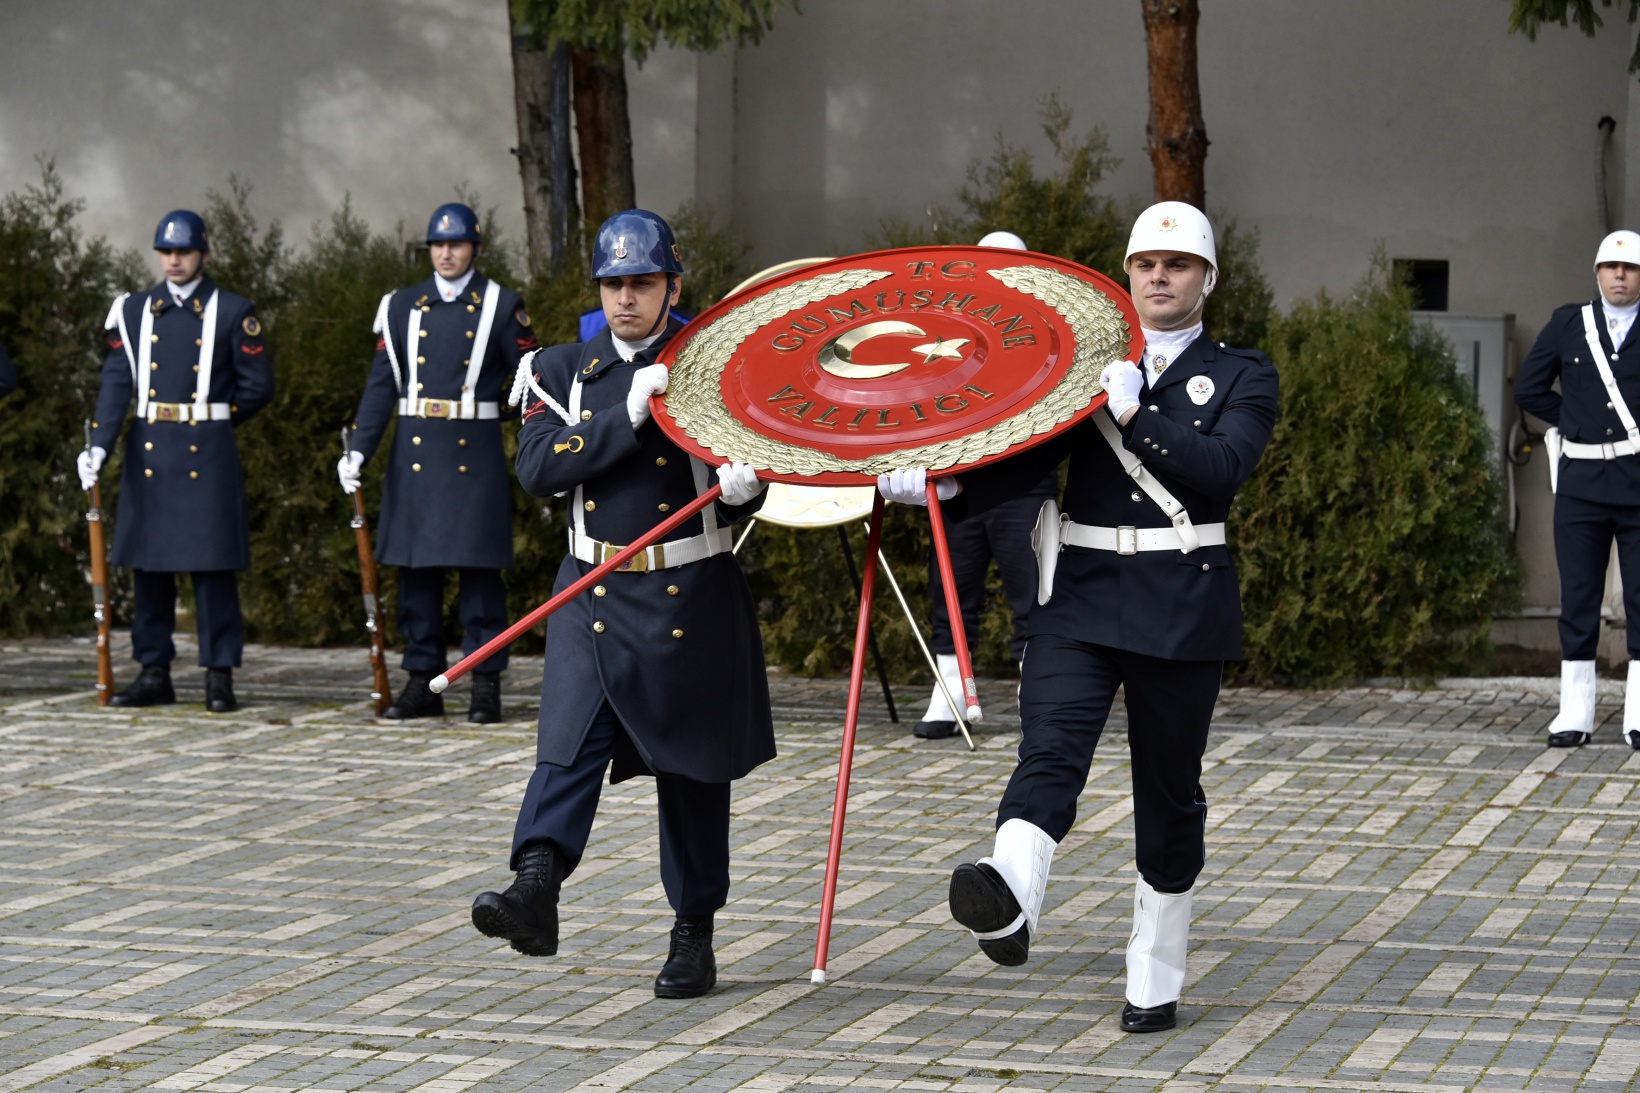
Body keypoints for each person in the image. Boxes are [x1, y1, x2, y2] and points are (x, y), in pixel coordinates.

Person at [879, 202, 1278, 1032]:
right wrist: (941, 480)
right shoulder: (1087, 364)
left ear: (1207, 278)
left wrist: (1139, 414)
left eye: (1177, 264)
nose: (1159, 277)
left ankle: (1155, 971)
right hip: (1082, 592)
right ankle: (1012, 892)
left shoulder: (1244, 373)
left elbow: (1224, 467)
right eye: (1145, 264)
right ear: (1127, 274)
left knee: (1168, 789)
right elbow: (1017, 448)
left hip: (1181, 598)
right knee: (1050, 744)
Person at [469, 209, 775, 999]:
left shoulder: (714, 366)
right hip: (591, 586)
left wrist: (747, 489)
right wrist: (628, 413)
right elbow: (538, 467)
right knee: (566, 747)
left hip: (690, 589)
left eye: (642, 282)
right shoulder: (561, 368)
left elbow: (750, 469)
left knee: (693, 773)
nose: (627, 298)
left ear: (672, 284)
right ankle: (535, 890)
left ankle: (693, 931)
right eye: (614, 283)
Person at [337, 203, 536, 723]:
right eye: (437, 245)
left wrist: (547, 451)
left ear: (476, 248)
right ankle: (421, 681)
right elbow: (383, 384)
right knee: (416, 578)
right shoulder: (400, 306)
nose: (446, 253)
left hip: (474, 452)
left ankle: (485, 685)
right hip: (416, 453)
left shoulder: (500, 304)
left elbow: (529, 386)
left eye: (456, 244)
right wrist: (358, 447)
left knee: (480, 579)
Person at [76, 210, 274, 713]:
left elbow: (257, 386)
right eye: (166, 252)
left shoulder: (232, 310)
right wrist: (98, 443)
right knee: (150, 570)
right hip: (151, 454)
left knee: (212, 573)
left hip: (206, 452)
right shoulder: (134, 310)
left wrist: (212, 420)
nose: (174, 260)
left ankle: (219, 676)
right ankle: (153, 670)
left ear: (203, 255)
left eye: (183, 252)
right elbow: (117, 382)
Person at [917, 230, 1058, 739]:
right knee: (950, 588)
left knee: (1034, 593)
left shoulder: (1047, 329)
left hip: (1027, 481)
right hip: (961, 483)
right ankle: (950, 687)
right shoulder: (952, 332)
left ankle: (1035, 693)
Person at [1517, 229, 1640, 750]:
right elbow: (1529, 388)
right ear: (1596, 273)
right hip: (1582, 485)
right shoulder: (1570, 323)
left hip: (1639, 484)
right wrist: (1573, 420)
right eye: (1611, 268)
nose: (1620, 275)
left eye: (1631, 268)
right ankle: (1575, 712)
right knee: (1580, 599)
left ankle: (1638, 715)